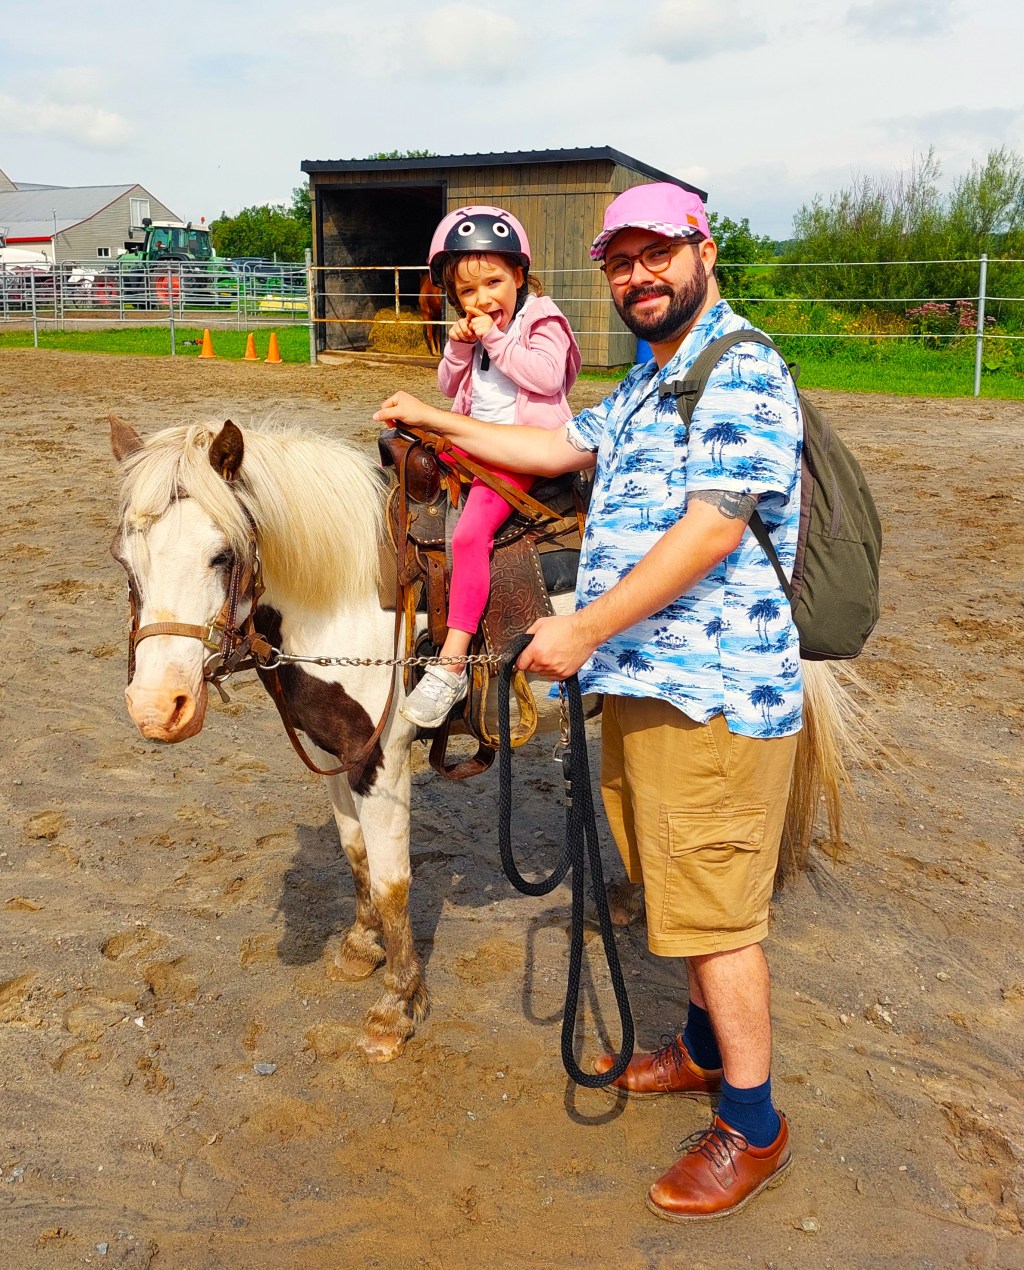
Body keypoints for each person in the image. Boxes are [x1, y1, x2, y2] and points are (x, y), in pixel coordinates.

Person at [376, 182, 803, 1222]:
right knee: (674, 883)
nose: (638, 276)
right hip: (649, 681)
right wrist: (433, 415)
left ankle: (753, 1125)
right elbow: (557, 448)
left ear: (703, 251)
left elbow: (712, 528)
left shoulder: (740, 368)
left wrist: (584, 627)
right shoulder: (651, 378)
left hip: (713, 688)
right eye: (620, 261)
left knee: (715, 912)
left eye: (658, 254)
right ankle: (702, 1050)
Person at [398, 205, 581, 729]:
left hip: (525, 448)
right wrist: (459, 347)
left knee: (470, 534)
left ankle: (452, 662)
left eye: (494, 282)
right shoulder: (477, 331)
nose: (482, 299)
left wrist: (494, 339)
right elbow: (448, 386)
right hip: (478, 444)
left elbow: (546, 378)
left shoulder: (541, 319)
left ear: (519, 276)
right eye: (467, 291)